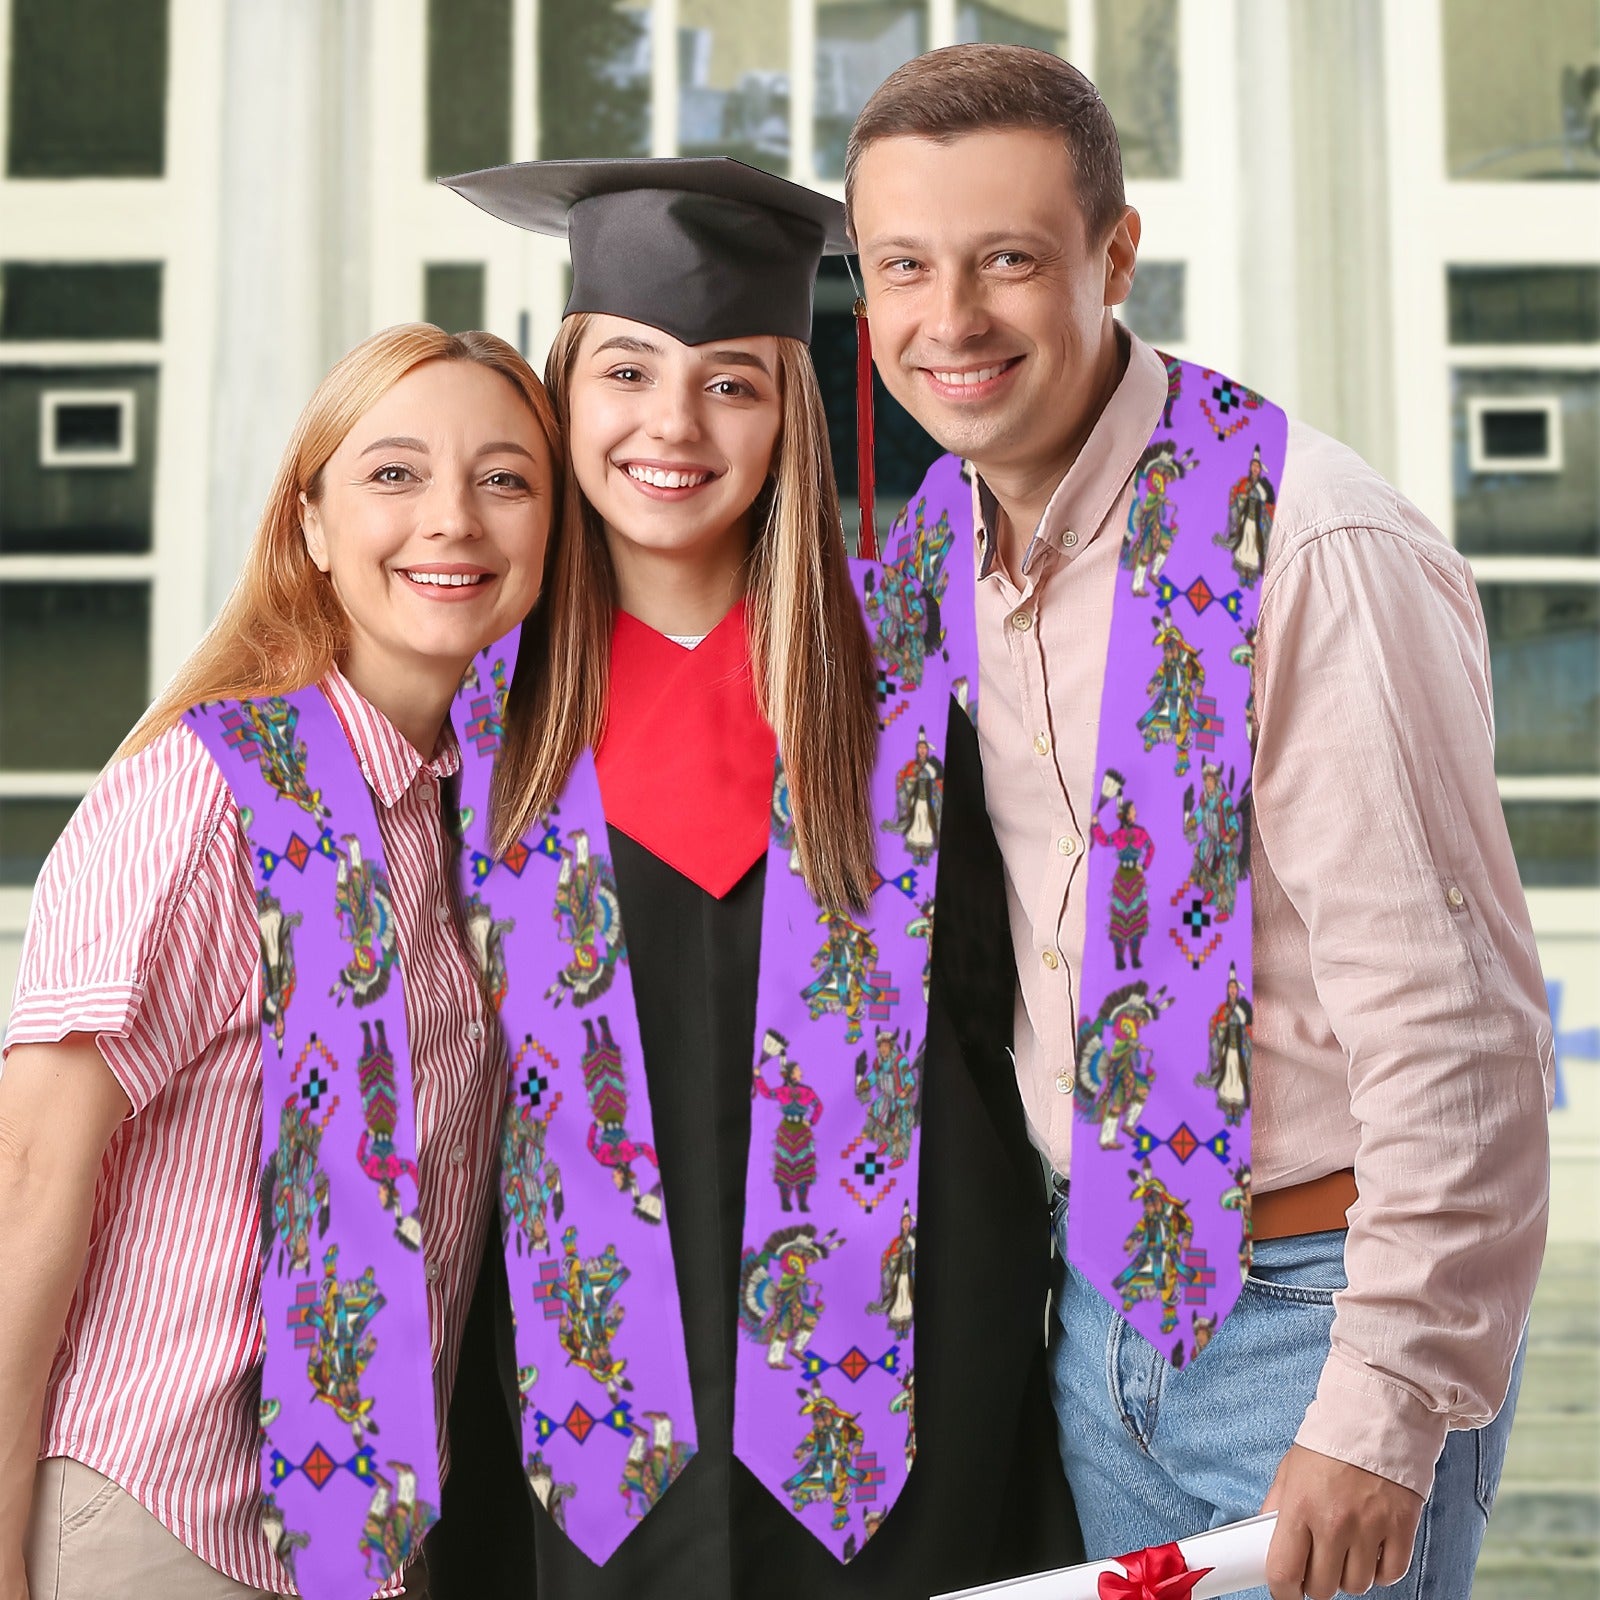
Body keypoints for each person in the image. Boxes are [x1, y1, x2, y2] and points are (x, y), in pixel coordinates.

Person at [843, 43, 1553, 1600]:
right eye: (905, 266)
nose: (948, 320)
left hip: (1315, 1318)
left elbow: (1464, 1034)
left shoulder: (1309, 546)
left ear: (1114, 255)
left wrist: (1381, 1410)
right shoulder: (936, 554)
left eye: (1008, 260)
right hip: (1095, 1314)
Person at [421, 157, 1077, 1600]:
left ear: (790, 413)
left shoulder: (917, 701)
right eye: (629, 373)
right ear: (560, 394)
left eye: (732, 381)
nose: (674, 425)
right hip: (556, 1435)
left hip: (900, 1422)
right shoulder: (460, 718)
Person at [0, 324, 560, 1600]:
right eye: (394, 474)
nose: (452, 521)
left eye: (505, 478)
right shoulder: (201, 796)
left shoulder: (470, 822)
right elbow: (27, 1169)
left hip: (362, 1545)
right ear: (308, 525)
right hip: (158, 1519)